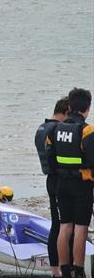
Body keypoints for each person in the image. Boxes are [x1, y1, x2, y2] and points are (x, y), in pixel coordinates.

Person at [46, 88, 93, 278]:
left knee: (64, 226)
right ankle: (79, 270)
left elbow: (50, 159)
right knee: (81, 227)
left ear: (70, 106)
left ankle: (64, 270)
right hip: (82, 185)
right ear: (87, 108)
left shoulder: (54, 129)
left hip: (61, 184)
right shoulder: (87, 130)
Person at [35, 97, 71, 278]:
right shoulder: (55, 129)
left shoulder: (42, 127)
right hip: (58, 180)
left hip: (50, 178)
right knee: (61, 226)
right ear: (66, 112)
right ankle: (58, 270)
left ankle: (56, 269)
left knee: (57, 225)